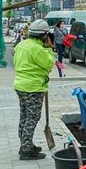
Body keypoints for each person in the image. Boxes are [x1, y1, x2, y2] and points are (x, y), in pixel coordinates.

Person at [12, 20, 56, 160]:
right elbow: (49, 64)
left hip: (20, 85)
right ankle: (26, 150)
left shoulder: (21, 45)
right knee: (33, 118)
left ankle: (26, 144)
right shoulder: (38, 49)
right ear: (44, 35)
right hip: (33, 88)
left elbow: (16, 63)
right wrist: (49, 48)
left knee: (24, 116)